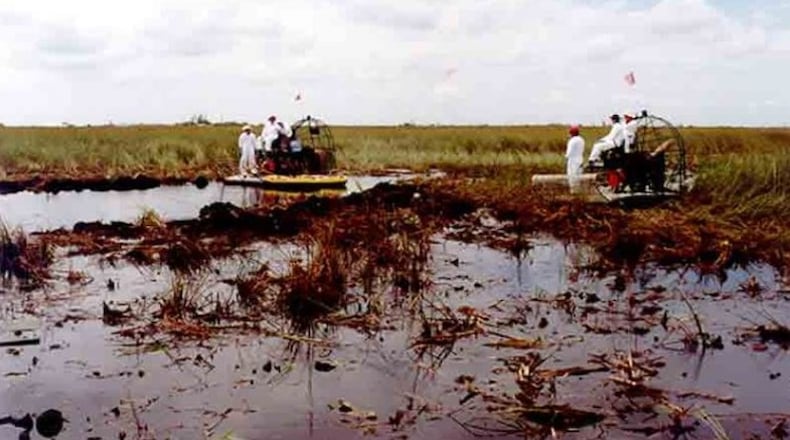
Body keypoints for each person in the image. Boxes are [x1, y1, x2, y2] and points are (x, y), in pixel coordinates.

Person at [565, 125, 585, 192]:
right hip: (580, 159)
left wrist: (566, 157)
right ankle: (579, 191)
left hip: (572, 161)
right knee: (579, 175)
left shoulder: (572, 141)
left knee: (572, 176)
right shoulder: (581, 139)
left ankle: (573, 191)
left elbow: (569, 153)